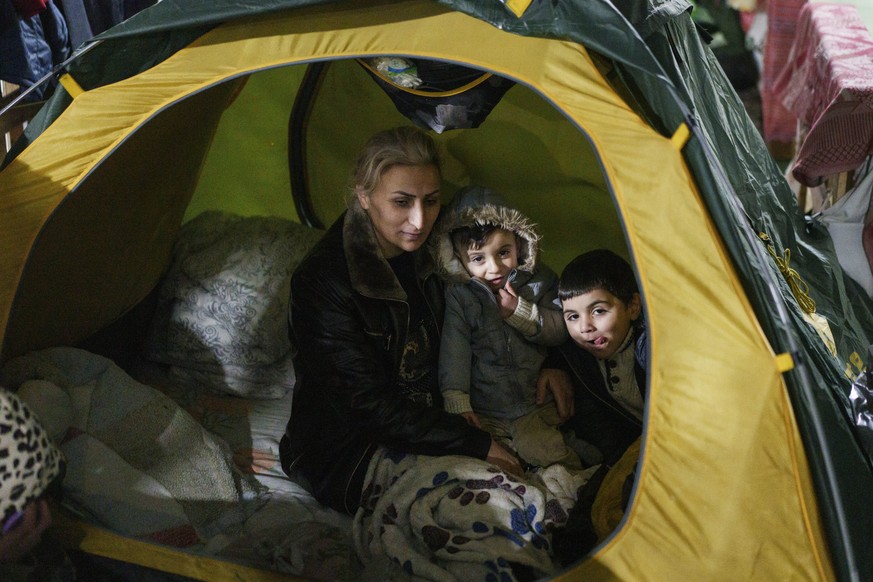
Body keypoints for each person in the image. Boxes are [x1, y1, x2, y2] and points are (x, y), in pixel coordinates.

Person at [279, 126, 532, 515]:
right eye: (401, 202)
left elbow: (518, 286)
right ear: (364, 196)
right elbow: (369, 407)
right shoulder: (322, 282)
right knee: (485, 509)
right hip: (351, 449)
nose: (419, 220)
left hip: (444, 415)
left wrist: (554, 363)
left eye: (431, 201)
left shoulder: (442, 239)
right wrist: (475, 443)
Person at [432, 186, 580, 470]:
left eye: (503, 252)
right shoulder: (461, 295)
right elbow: (455, 347)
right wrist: (456, 400)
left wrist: (520, 312)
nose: (494, 268)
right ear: (460, 260)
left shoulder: (539, 281)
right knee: (486, 462)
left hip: (531, 404)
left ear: (520, 244)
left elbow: (561, 328)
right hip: (486, 408)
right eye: (478, 259)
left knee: (549, 455)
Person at [551, 248, 647, 467]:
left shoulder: (650, 347)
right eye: (573, 317)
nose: (585, 327)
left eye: (599, 311)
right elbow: (600, 428)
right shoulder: (580, 360)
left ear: (632, 307)